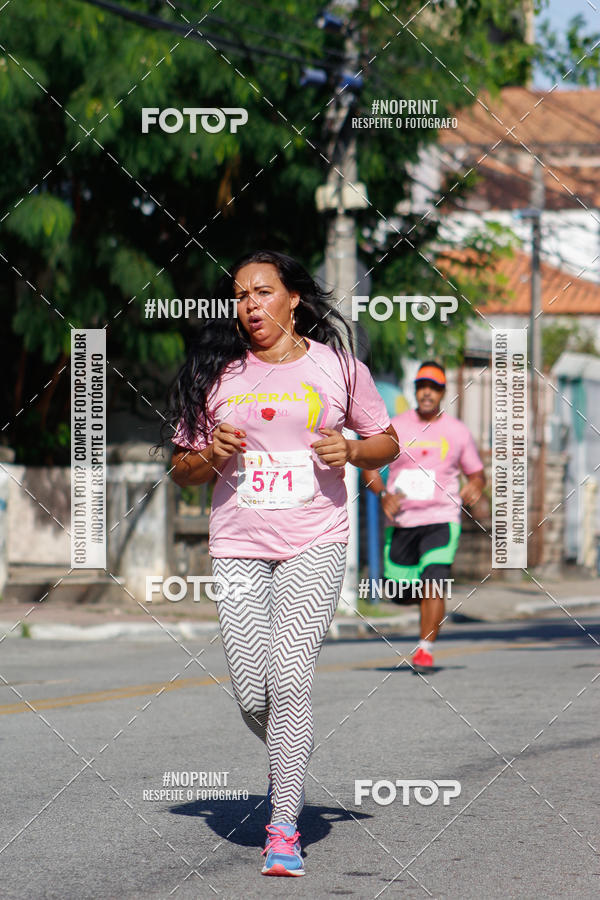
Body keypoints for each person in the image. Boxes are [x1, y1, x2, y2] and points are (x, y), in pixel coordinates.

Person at [168, 250, 398, 877]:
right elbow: (183, 471)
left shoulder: (338, 368)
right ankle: (291, 755)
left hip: (314, 539)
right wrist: (211, 452)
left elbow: (387, 441)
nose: (250, 306)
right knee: (252, 692)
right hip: (239, 543)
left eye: (263, 292)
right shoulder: (219, 374)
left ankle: (283, 826)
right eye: (241, 296)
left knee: (290, 680)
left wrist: (350, 448)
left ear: (294, 298)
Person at [362, 361, 485, 674]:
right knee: (399, 593)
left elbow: (476, 472)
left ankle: (425, 649)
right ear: (415, 390)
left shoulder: (457, 432)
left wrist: (474, 485)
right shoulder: (396, 427)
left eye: (434, 387)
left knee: (434, 579)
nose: (427, 393)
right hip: (403, 521)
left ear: (443, 392)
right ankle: (428, 602)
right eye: (422, 387)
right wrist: (383, 495)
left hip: (441, 519)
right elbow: (369, 465)